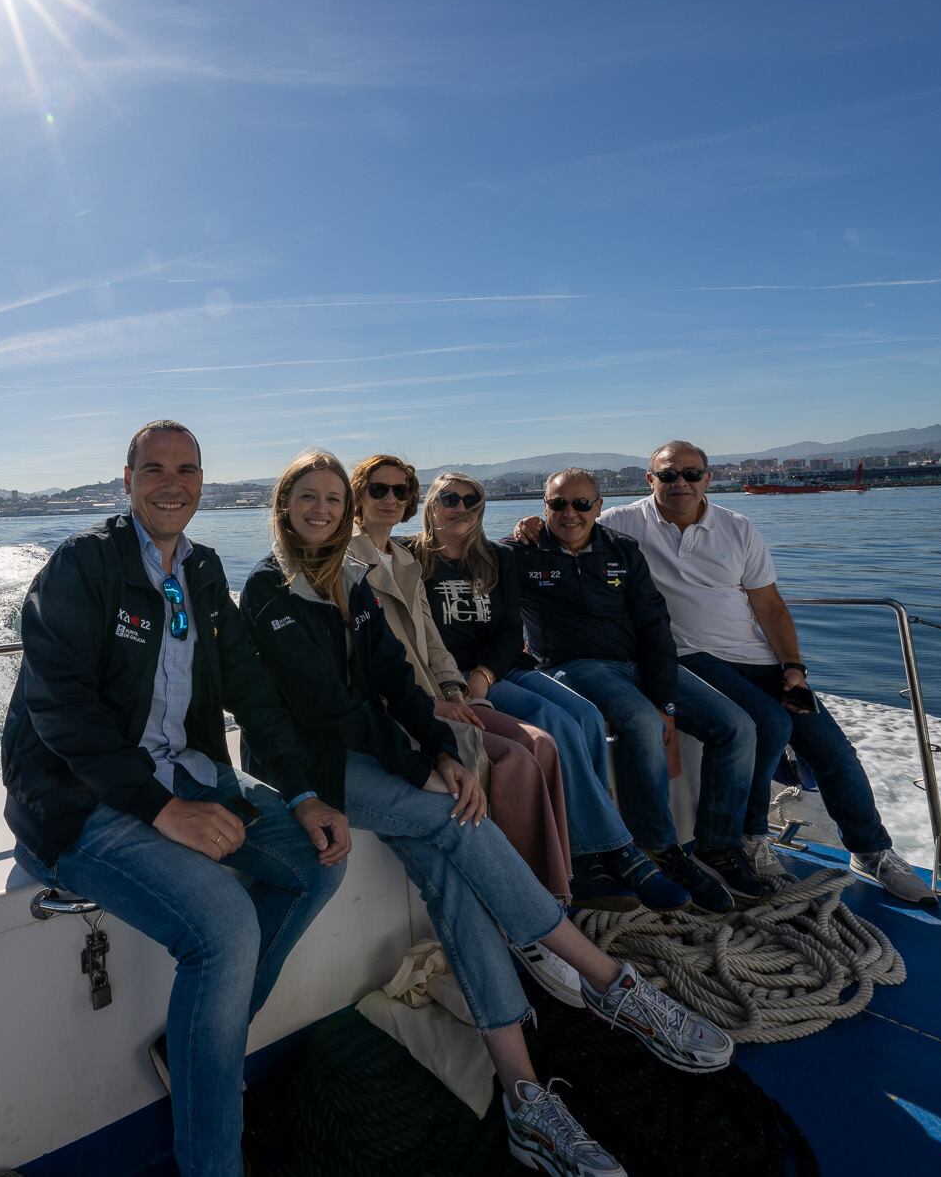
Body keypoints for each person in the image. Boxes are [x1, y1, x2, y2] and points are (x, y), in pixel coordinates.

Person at [242, 449, 734, 1176]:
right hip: (311, 764)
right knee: (451, 819)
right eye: (305, 497)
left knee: (449, 874)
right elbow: (329, 708)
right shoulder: (270, 588)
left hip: (372, 748)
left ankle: (525, 1099)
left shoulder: (351, 579)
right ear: (283, 507)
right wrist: (425, 767)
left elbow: (389, 679)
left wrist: (439, 748)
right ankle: (607, 979)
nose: (321, 509)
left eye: (330, 499)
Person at [1, 420, 348, 1177]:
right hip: (74, 796)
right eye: (154, 467)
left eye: (187, 468)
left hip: (185, 774)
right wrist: (161, 810)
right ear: (125, 480)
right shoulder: (82, 567)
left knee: (317, 860)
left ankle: (196, 1052)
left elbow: (251, 689)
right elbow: (61, 710)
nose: (172, 482)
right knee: (223, 926)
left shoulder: (203, 568)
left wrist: (306, 791)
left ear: (202, 481)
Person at [598, 441, 938, 905]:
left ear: (708, 478)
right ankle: (748, 838)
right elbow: (565, 529)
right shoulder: (620, 524)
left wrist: (793, 668)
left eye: (692, 474)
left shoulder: (737, 528)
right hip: (687, 658)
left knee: (831, 748)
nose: (681, 483)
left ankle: (871, 850)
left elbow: (770, 606)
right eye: (669, 474)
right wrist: (529, 528)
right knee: (768, 724)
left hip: (759, 659)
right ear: (650, 479)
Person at [403, 469, 691, 915]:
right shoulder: (408, 559)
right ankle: (610, 851)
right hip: (451, 675)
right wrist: (466, 680)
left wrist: (485, 673)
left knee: (587, 716)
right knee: (557, 722)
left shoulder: (497, 557)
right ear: (430, 505)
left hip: (500, 669)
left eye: (470, 499)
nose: (459, 507)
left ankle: (593, 848)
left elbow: (508, 628)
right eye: (448, 499)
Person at [507, 468, 770, 911]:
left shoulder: (622, 550)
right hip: (573, 667)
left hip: (637, 663)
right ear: (543, 506)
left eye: (581, 504)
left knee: (737, 726)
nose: (570, 514)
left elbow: (653, 625)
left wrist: (665, 696)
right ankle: (659, 848)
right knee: (640, 720)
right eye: (558, 504)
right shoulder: (518, 553)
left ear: (599, 506)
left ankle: (718, 844)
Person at [345, 454, 573, 907]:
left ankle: (559, 887)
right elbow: (374, 664)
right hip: (409, 704)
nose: (391, 499)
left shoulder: (402, 560)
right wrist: (431, 703)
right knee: (515, 759)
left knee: (543, 742)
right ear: (357, 496)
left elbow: (432, 641)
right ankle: (529, 899)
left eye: (399, 490)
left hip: (444, 692)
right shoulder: (351, 563)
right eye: (378, 489)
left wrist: (457, 689)